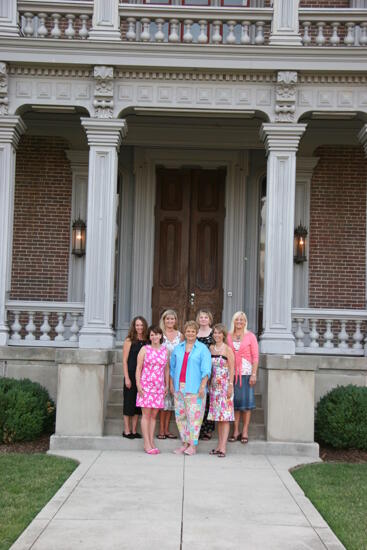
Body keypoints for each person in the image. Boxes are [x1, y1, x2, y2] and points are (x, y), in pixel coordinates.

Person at [170, 320, 211, 456]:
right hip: (179, 388)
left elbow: (206, 369)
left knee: (194, 418)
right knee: (180, 417)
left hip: (195, 388)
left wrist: (203, 386)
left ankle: (192, 446)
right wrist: (171, 384)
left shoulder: (202, 349)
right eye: (188, 331)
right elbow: (172, 368)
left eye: (193, 331)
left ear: (196, 332)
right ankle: (184, 443)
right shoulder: (178, 348)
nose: (190, 333)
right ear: (185, 332)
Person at [136, 325, 169, 455]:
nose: (154, 337)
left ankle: (151, 441)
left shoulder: (165, 351)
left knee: (154, 416)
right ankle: (146, 443)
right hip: (146, 386)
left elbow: (166, 369)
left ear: (161, 336)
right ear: (149, 337)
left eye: (156, 334)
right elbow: (139, 368)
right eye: (152, 335)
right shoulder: (145, 349)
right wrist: (138, 385)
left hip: (159, 387)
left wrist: (166, 385)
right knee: (146, 415)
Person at [227, 311, 259, 444]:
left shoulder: (250, 336)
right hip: (231, 374)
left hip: (246, 374)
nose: (239, 322)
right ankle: (235, 431)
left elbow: (255, 357)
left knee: (246, 404)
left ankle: (245, 431)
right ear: (233, 321)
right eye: (237, 319)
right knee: (235, 404)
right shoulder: (228, 336)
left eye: (242, 320)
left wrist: (254, 374)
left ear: (245, 322)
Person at [207, 324, 235, 458]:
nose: (217, 335)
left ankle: (223, 447)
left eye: (219, 333)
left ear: (224, 335)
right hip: (213, 387)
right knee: (218, 418)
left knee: (225, 418)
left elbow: (232, 369)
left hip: (224, 386)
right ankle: (218, 446)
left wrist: (230, 386)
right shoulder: (211, 348)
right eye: (215, 333)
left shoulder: (228, 349)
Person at [122, 316, 148, 439]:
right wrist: (127, 377)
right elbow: (124, 361)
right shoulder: (129, 340)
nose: (140, 327)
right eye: (137, 325)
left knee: (138, 404)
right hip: (131, 374)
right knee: (129, 403)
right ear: (134, 326)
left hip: (144, 375)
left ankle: (134, 430)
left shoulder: (147, 340)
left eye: (142, 325)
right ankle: (127, 430)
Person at [158, 309, 182, 440]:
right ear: (164, 320)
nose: (170, 321)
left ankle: (167, 430)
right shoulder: (159, 334)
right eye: (167, 319)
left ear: (175, 320)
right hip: (161, 371)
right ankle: (161, 430)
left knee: (171, 402)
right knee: (164, 402)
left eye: (172, 319)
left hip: (176, 371)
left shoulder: (180, 335)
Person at [196, 310, 215, 441]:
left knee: (209, 400)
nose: (203, 319)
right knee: (198, 399)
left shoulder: (214, 333)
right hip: (196, 370)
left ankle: (207, 429)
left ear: (209, 319)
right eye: (201, 317)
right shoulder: (194, 333)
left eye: (206, 317)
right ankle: (197, 428)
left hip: (210, 368)